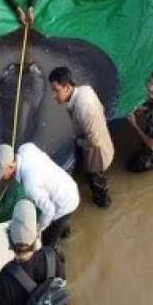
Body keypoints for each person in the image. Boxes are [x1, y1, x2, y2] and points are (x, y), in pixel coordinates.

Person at [0, 143, 79, 247]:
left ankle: (55, 245)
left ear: (11, 166)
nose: (2, 177)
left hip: (66, 203)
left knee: (48, 241)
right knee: (57, 222)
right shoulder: (25, 147)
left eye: (2, 173)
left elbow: (49, 211)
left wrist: (38, 230)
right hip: (66, 183)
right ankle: (63, 229)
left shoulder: (30, 185)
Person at [48, 67, 114, 208]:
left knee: (95, 179)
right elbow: (101, 110)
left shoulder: (82, 108)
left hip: (98, 155)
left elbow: (94, 141)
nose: (54, 95)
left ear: (67, 87)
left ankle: (102, 201)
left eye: (56, 90)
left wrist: (78, 141)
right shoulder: (85, 90)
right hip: (103, 142)